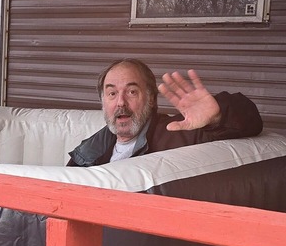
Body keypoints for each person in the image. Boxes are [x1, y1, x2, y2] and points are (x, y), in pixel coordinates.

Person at [67, 58, 263, 166]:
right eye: (111, 93)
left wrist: (218, 115)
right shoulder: (87, 151)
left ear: (151, 98)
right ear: (103, 102)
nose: (121, 102)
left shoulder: (178, 135)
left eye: (132, 92)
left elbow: (250, 121)